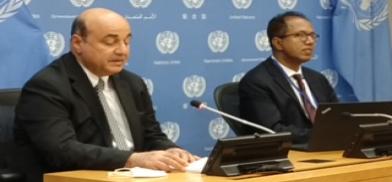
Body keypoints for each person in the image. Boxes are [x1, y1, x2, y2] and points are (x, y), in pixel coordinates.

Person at [14, 8, 197, 172]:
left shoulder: (132, 83)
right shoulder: (48, 86)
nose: (122, 51)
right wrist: (131, 160)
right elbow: (61, 150)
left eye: (127, 42)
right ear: (78, 43)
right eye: (110, 42)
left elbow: (151, 135)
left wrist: (171, 150)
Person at [239, 11, 338, 143]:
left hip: (327, 150)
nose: (309, 41)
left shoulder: (317, 79)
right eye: (300, 35)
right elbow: (272, 130)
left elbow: (339, 119)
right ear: (278, 43)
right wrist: (323, 136)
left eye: (312, 35)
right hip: (289, 155)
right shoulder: (257, 81)